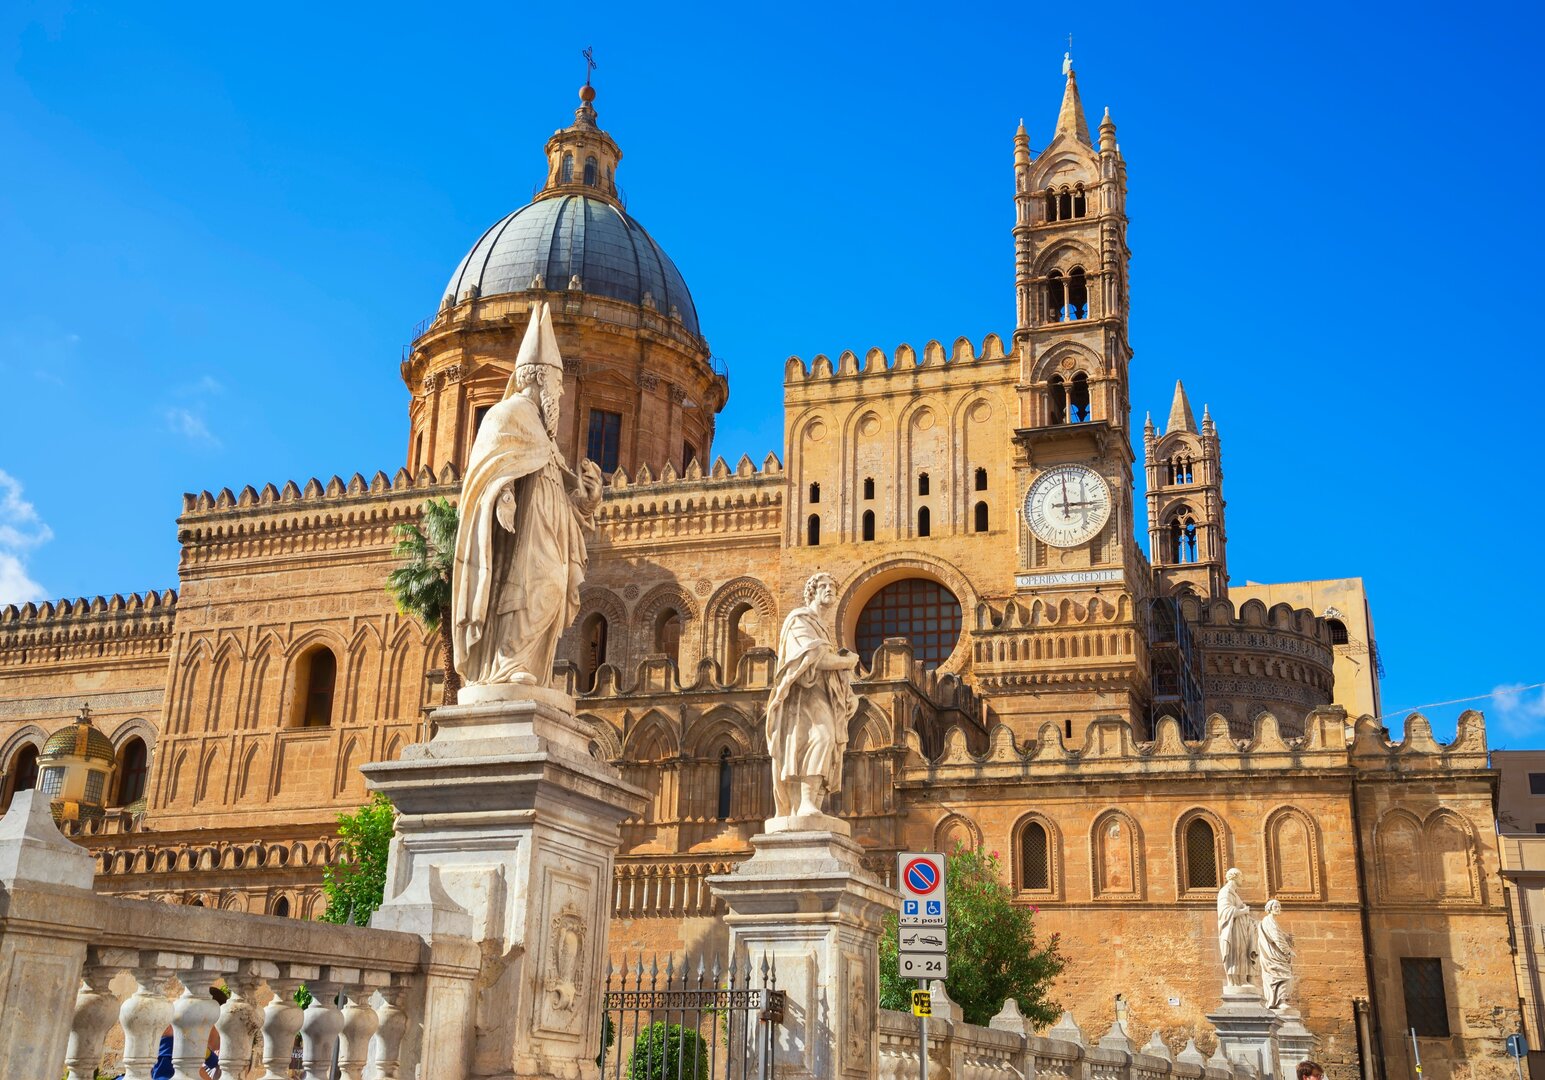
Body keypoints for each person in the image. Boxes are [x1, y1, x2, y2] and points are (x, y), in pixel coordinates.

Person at [452, 302, 603, 689]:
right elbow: (488, 467)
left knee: (550, 588)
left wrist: (585, 499)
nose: (561, 392)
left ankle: (528, 668)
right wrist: (501, 492)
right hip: (525, 532)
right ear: (537, 379)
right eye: (557, 384)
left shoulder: (544, 435)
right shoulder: (507, 416)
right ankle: (507, 663)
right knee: (531, 588)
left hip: (551, 529)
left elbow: (558, 489)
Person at [765, 572, 859, 820]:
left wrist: (848, 694)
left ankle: (812, 803)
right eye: (823, 586)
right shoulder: (800, 620)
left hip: (822, 695)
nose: (829, 589)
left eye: (832, 586)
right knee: (820, 737)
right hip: (802, 698)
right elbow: (813, 659)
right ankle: (805, 803)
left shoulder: (822, 628)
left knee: (829, 745)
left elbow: (825, 664)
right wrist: (846, 663)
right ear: (812, 592)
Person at [1216, 867, 1255, 989]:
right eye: (1241, 876)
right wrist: (1243, 911)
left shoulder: (1234, 893)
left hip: (1240, 928)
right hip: (1232, 929)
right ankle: (1235, 982)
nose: (1243, 879)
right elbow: (1225, 911)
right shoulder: (1226, 891)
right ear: (1235, 876)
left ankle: (1242, 979)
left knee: (1241, 953)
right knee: (1235, 953)